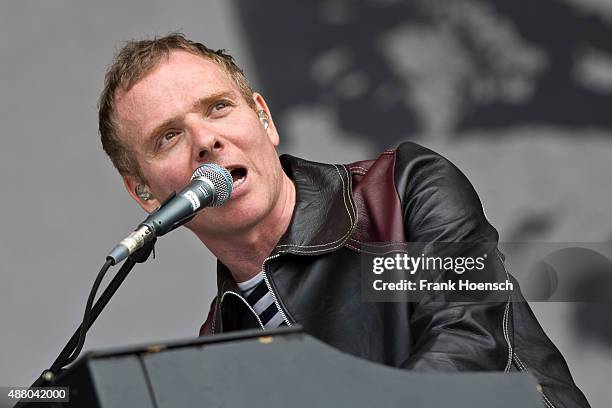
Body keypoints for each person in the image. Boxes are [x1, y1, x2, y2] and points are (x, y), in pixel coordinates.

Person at [98, 33, 590, 407]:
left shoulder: (399, 196)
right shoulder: (219, 345)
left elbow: (467, 339)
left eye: (218, 107)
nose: (205, 141)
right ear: (144, 193)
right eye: (168, 136)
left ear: (264, 120)